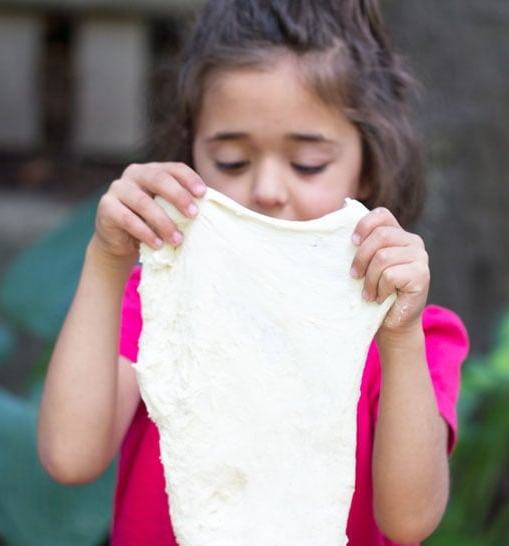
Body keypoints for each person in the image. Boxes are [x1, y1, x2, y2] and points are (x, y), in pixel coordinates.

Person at [36, 1, 469, 544]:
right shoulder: (156, 303)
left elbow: (409, 522)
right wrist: (107, 263)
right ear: (191, 150)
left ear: (369, 161)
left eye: (307, 164)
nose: (266, 189)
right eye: (232, 161)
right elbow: (70, 456)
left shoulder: (406, 334)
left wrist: (400, 340)